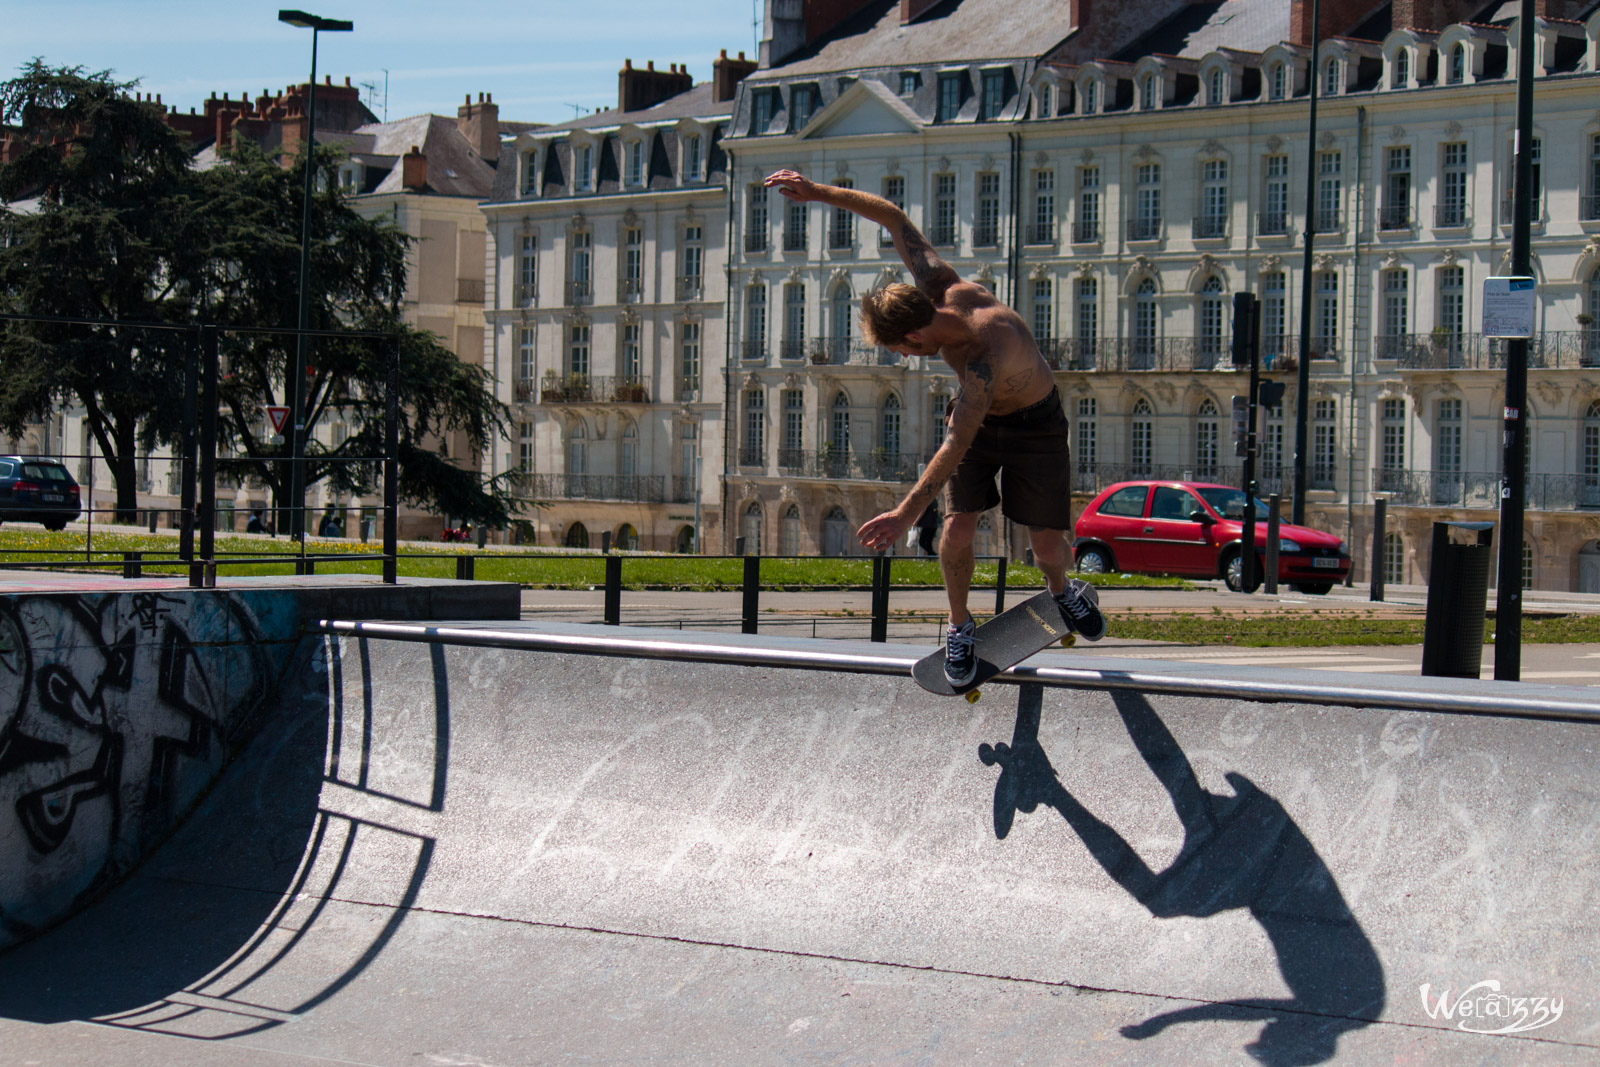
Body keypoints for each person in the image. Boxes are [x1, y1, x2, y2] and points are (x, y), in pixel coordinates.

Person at [763, 169, 1106, 687]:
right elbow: (892, 217)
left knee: (1046, 546)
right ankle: (959, 625)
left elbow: (956, 443)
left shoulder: (988, 351)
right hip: (979, 417)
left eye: (903, 348)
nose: (905, 358)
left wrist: (904, 513)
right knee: (957, 526)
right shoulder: (935, 284)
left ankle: (1062, 591)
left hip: (1035, 425)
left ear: (918, 331)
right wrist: (817, 194)